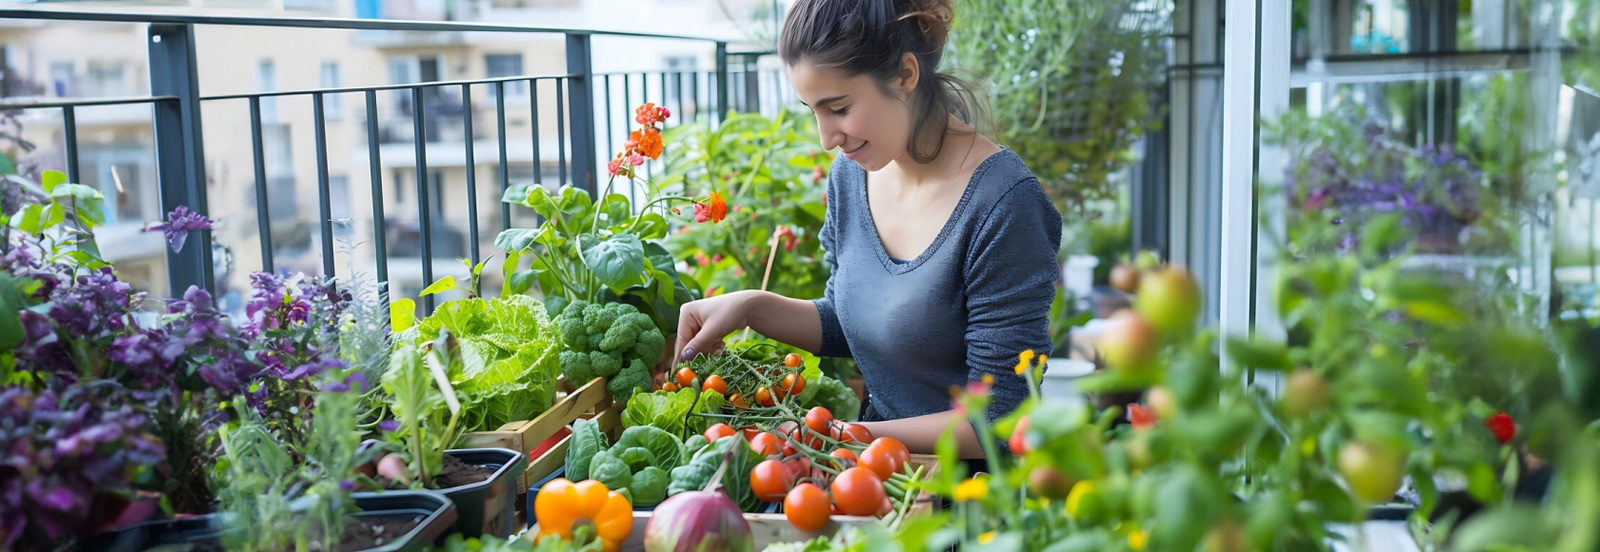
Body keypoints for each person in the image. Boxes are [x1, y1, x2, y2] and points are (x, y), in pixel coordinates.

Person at [672, 0, 1062, 458]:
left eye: (838, 107)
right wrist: (750, 307)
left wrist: (838, 434)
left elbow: (998, 422)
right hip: (874, 477)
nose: (826, 138)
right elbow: (858, 320)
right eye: (811, 111)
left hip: (967, 503)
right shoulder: (851, 176)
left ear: (906, 74)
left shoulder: (1003, 203)